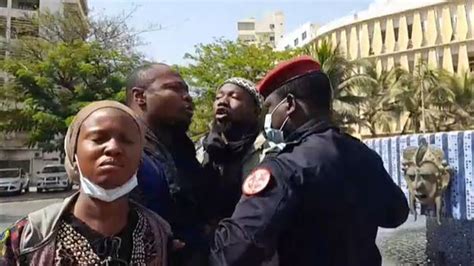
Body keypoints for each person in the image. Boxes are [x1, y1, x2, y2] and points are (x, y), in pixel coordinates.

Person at [209, 56, 409, 266]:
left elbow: (233, 252)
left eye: (270, 108)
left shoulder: (283, 167)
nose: (268, 117)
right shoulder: (363, 154)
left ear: (290, 105)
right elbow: (395, 214)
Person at [0, 100, 171, 265]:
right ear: (74, 154)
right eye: (98, 139)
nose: (113, 148)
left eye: (126, 141)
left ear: (139, 161)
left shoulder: (160, 235)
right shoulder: (26, 238)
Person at [126, 63, 208, 265]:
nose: (187, 97)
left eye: (187, 90)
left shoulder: (182, 147)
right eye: (174, 88)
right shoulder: (121, 148)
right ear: (140, 97)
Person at [196, 77, 269, 222]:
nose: (222, 101)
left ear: (255, 110)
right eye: (218, 97)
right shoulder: (201, 149)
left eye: (234, 97)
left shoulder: (269, 151)